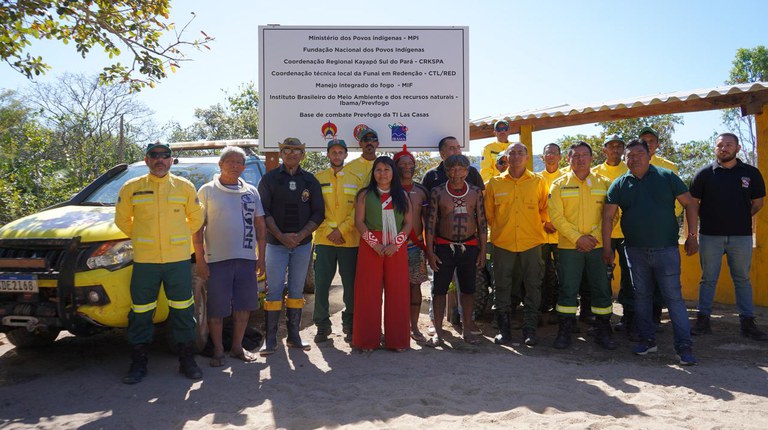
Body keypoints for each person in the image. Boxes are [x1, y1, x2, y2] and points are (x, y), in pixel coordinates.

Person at [602, 139, 700, 366]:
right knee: (642, 298)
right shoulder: (619, 183)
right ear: (625, 160)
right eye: (630, 155)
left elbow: (690, 204)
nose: (634, 158)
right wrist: (607, 247)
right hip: (634, 251)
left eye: (639, 153)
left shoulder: (667, 177)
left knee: (674, 299)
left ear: (648, 155)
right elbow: (608, 217)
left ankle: (683, 347)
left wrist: (692, 236)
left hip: (666, 250)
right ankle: (647, 340)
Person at [115, 141, 205, 384]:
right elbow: (122, 220)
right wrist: (143, 237)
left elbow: (197, 217)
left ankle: (187, 360)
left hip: (177, 260)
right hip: (146, 260)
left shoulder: (184, 187)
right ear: (146, 160)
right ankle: (138, 362)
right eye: (154, 156)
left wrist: (177, 236)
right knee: (141, 311)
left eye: (165, 156)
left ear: (171, 160)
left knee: (183, 309)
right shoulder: (132, 187)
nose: (159, 160)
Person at [689, 133, 768, 341]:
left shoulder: (751, 173)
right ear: (715, 148)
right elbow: (693, 204)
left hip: (741, 237)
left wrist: (739, 217)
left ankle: (747, 323)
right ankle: (703, 320)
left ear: (738, 148)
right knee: (708, 279)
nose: (724, 148)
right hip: (710, 236)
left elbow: (758, 203)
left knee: (742, 279)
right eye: (720, 145)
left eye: (728, 145)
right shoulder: (704, 174)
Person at [194, 146, 266, 366]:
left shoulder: (251, 192)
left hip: (246, 259)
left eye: (239, 163)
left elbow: (260, 226)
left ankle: (237, 347)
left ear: (244, 167)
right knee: (217, 308)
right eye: (230, 162)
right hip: (216, 260)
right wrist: (200, 259)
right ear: (220, 164)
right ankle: (217, 350)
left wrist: (260, 257)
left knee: (244, 306)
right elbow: (197, 229)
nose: (235, 166)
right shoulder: (206, 191)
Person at [257, 138, 324, 355]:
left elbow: (318, 212)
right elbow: (263, 211)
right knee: (274, 290)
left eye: (297, 150)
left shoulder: (310, 180)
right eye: (287, 150)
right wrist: (280, 235)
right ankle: (270, 339)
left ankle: (294, 336)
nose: (292, 154)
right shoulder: (269, 179)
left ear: (303, 155)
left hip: (303, 244)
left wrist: (302, 235)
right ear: (281, 153)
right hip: (275, 244)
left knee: (296, 289)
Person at [548, 142, 615, 350]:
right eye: (575, 156)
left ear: (591, 158)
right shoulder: (558, 185)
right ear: (568, 159)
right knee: (568, 289)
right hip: (570, 248)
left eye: (584, 155)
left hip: (597, 246)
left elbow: (613, 215)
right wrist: (578, 238)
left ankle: (603, 330)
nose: (580, 159)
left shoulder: (604, 183)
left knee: (601, 288)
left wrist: (593, 238)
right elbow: (556, 217)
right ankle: (565, 331)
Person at [485, 143, 548, 346]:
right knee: (501, 286)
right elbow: (489, 216)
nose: (516, 156)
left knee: (533, 286)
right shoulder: (494, 183)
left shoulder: (538, 182)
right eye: (512, 152)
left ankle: (530, 329)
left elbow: (544, 211)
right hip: (503, 243)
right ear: (506, 157)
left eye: (521, 152)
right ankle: (504, 330)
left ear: (528, 157)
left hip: (532, 243)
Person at [422, 136, 485, 332]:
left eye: (461, 169)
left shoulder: (474, 192)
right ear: (446, 170)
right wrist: (430, 252)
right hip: (443, 246)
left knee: (468, 290)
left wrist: (482, 251)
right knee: (438, 290)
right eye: (452, 169)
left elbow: (482, 222)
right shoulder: (437, 192)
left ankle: (467, 328)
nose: (457, 173)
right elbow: (430, 222)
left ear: (468, 171)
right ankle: (438, 330)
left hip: (469, 246)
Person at [352, 156, 413, 352]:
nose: (382, 174)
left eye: (387, 170)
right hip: (371, 246)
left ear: (393, 172)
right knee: (368, 292)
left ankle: (397, 340)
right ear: (373, 173)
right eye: (378, 170)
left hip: (396, 246)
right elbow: (359, 222)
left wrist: (396, 244)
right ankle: (367, 340)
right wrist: (374, 244)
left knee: (398, 292)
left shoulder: (402, 196)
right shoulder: (364, 195)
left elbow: (409, 223)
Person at [312, 138, 361, 343]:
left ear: (346, 155)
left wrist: (341, 230)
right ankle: (322, 326)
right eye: (333, 152)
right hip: (324, 239)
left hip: (349, 240)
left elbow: (358, 210)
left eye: (341, 152)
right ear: (328, 155)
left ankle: (350, 324)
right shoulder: (317, 178)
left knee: (350, 286)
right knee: (322, 285)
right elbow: (314, 209)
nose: (337, 155)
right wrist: (330, 231)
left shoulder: (355, 178)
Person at [592, 135, 635, 338]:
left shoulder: (630, 170)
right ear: (604, 150)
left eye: (619, 146)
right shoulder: (594, 173)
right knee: (601, 278)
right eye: (611, 146)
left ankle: (628, 319)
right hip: (603, 235)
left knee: (629, 277)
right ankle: (601, 320)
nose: (615, 149)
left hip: (627, 233)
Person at [638, 126, 680, 330]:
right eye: (643, 140)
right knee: (640, 278)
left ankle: (656, 315)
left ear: (658, 144)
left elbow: (680, 200)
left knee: (661, 277)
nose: (648, 144)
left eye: (651, 140)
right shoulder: (631, 164)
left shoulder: (669, 167)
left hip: (663, 233)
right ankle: (638, 319)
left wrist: (667, 220)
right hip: (637, 234)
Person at [393, 145, 430, 343]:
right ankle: (393, 326)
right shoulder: (388, 190)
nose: (408, 167)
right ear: (395, 165)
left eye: (411, 163)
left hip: (415, 246)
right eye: (403, 163)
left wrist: (429, 249)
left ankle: (414, 326)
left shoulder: (422, 191)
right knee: (391, 288)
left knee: (414, 286)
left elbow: (428, 223)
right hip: (392, 247)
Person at [539, 143, 566, 323]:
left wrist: (556, 223)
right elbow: (532, 205)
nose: (551, 156)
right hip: (540, 235)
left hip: (562, 235)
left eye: (554, 153)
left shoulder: (566, 177)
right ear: (542, 157)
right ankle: (541, 307)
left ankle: (561, 308)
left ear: (560, 157)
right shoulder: (536, 178)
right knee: (540, 273)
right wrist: (544, 222)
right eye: (547, 153)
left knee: (562, 273)